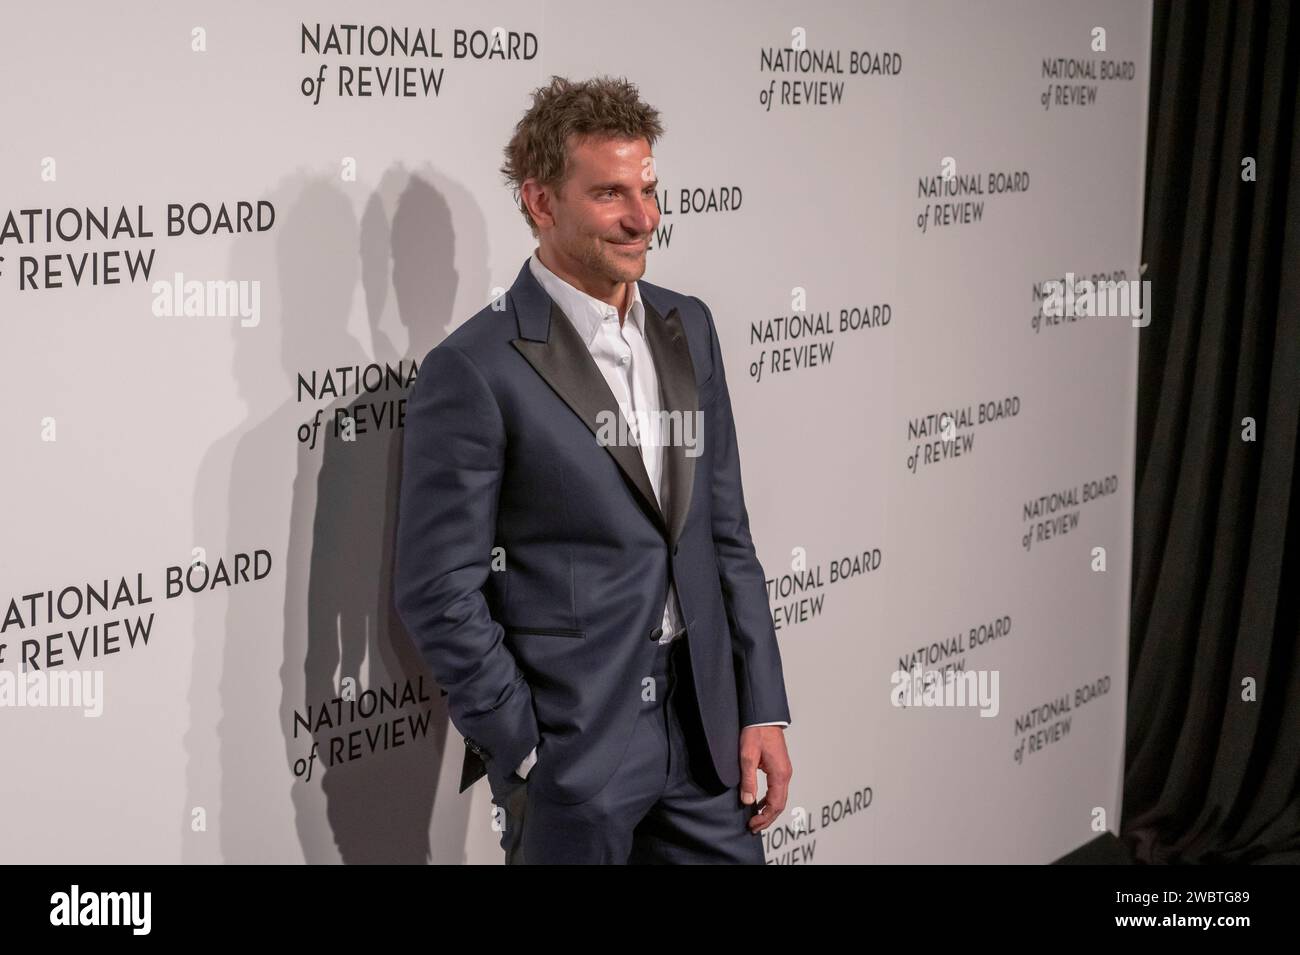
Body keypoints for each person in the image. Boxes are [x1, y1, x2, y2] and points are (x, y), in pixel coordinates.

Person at [394, 75, 792, 864]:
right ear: (542, 203)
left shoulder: (690, 327)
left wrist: (761, 706)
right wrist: (533, 749)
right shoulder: (475, 369)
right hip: (578, 752)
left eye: (647, 187)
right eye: (611, 193)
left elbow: (724, 532)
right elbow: (438, 588)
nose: (643, 217)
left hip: (706, 731)